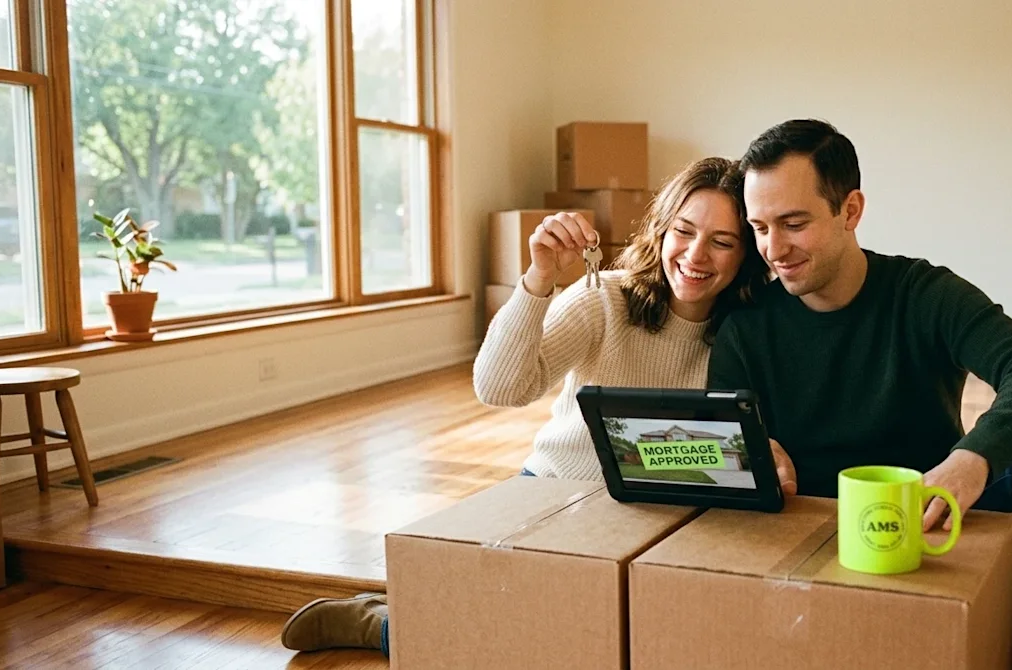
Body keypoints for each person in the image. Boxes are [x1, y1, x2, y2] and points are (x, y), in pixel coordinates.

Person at [707, 119, 1012, 670]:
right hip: (830, 537)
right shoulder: (746, 329)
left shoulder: (922, 293)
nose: (774, 248)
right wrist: (755, 451)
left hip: (937, 512)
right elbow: (727, 444)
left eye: (794, 223)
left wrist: (972, 459)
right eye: (760, 227)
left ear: (851, 210)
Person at [280, 156, 776, 655]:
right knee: (521, 620)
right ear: (660, 231)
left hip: (654, 517)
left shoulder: (749, 333)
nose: (695, 254)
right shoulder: (602, 298)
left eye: (722, 241)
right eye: (683, 231)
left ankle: (408, 618)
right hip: (553, 490)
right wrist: (538, 281)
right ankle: (384, 626)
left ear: (745, 254)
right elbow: (499, 388)